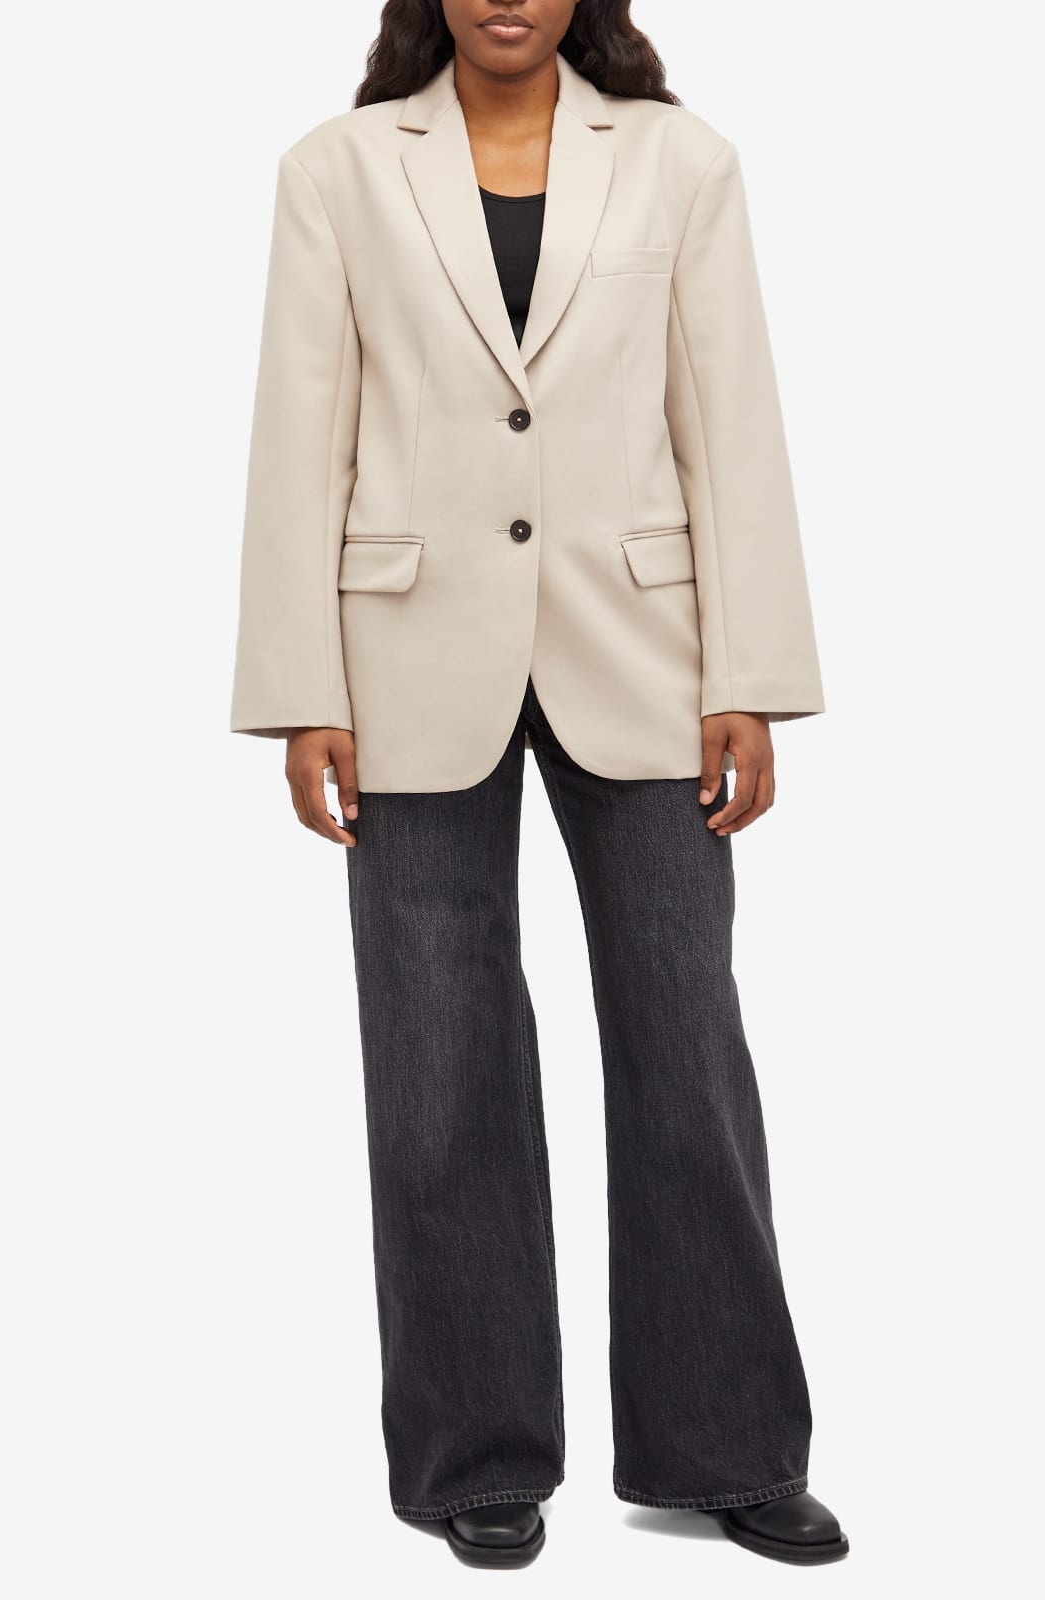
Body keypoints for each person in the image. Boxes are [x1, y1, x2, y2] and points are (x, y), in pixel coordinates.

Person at [230, 0, 846, 1569]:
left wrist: (750, 674)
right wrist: (302, 692)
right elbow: (300, 435)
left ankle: (724, 1445)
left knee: (684, 1044)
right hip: (402, 655)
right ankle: (480, 1453)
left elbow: (730, 425)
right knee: (438, 1071)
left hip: (644, 650)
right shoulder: (337, 169)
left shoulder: (684, 162)